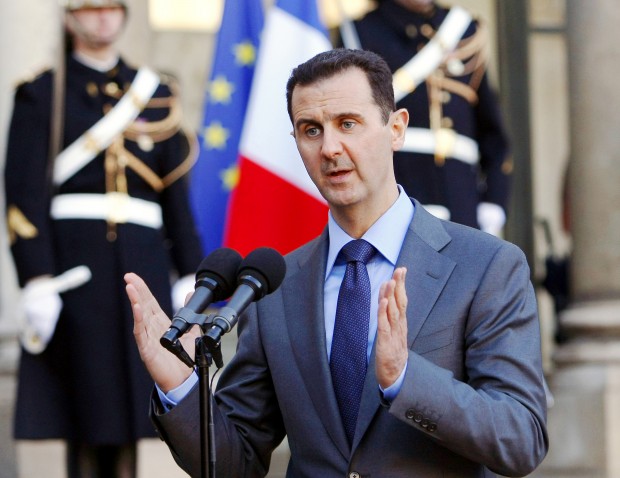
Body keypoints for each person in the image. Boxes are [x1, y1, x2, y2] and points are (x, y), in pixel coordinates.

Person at [125, 48, 548, 477]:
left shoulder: (486, 266)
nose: (329, 148)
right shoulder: (274, 286)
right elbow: (236, 461)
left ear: (396, 128)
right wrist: (179, 385)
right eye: (311, 130)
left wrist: (405, 379)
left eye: (348, 123)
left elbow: (521, 439)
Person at [4, 1, 203, 476]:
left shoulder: (155, 93)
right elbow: (24, 194)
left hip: (143, 264)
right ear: (72, 16)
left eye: (112, 7)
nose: (102, 17)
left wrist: (189, 270)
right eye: (90, 8)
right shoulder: (43, 92)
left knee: (138, 403)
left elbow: (175, 196)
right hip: (77, 272)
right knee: (86, 407)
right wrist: (36, 276)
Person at [343, 0, 512, 236]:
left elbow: (491, 134)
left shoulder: (464, 30)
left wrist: (493, 201)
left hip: (461, 206)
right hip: (396, 202)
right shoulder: (357, 33)